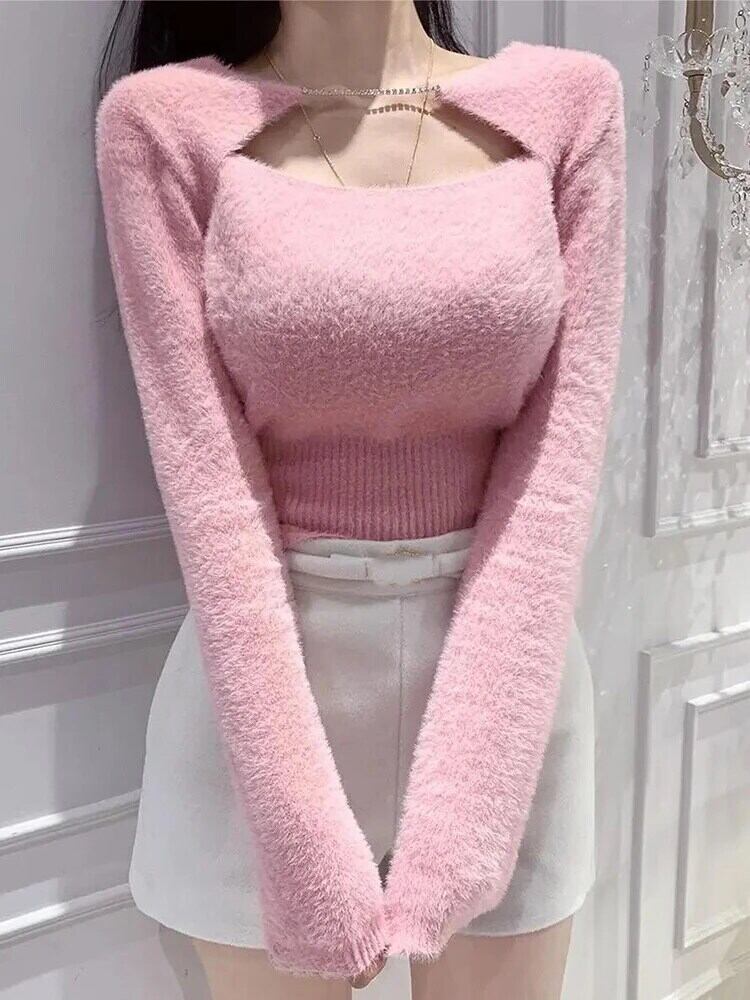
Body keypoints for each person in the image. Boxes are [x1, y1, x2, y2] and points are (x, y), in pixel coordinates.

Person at [94, 1, 627, 996]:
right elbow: (207, 488)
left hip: (506, 697)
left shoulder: (567, 108)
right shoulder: (164, 126)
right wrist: (296, 829)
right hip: (264, 715)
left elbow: (556, 474)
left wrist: (473, 810)